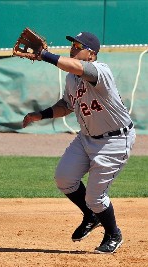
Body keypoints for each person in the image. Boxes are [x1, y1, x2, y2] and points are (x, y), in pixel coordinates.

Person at [22, 31, 136, 254]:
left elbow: (77, 68)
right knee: (64, 178)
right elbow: (67, 105)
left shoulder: (100, 71)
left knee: (95, 197)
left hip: (114, 140)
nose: (73, 48)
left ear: (91, 54)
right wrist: (40, 115)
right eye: (72, 45)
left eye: (77, 45)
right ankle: (91, 216)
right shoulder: (71, 78)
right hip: (86, 137)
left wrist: (45, 55)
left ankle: (113, 233)